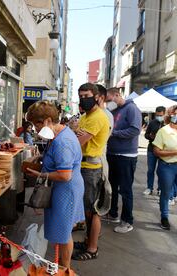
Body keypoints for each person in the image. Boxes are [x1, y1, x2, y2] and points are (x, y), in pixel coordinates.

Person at [25, 101, 85, 269]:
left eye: (36, 124)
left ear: (47, 120)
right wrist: (42, 158)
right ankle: (62, 267)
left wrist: (42, 174)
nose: (35, 129)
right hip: (65, 188)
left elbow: (65, 175)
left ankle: (65, 269)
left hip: (66, 190)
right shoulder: (60, 133)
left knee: (64, 234)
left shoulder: (62, 142)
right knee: (63, 232)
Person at [72, 83, 109, 261]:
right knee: (86, 210)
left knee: (93, 211)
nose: (83, 99)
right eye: (80, 96)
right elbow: (76, 133)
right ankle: (88, 241)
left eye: (86, 96)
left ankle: (92, 248)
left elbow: (78, 141)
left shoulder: (97, 117)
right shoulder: (86, 116)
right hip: (83, 167)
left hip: (92, 170)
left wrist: (73, 133)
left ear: (96, 96)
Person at [104, 87, 142, 233]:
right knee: (111, 186)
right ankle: (113, 213)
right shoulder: (113, 111)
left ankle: (127, 220)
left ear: (117, 95)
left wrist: (114, 133)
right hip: (113, 153)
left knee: (125, 190)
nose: (108, 103)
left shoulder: (131, 109)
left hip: (126, 156)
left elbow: (135, 130)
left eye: (109, 99)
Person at [152, 105, 177, 237]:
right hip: (167, 167)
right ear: (170, 115)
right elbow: (156, 151)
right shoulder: (163, 131)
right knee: (166, 194)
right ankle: (164, 217)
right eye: (175, 114)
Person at [143, 106, 166, 196]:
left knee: (161, 171)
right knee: (150, 170)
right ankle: (149, 187)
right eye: (157, 115)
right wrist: (150, 136)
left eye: (160, 115)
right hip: (151, 149)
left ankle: (160, 189)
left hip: (162, 151)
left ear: (164, 114)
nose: (158, 117)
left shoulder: (167, 124)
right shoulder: (152, 123)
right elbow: (146, 134)